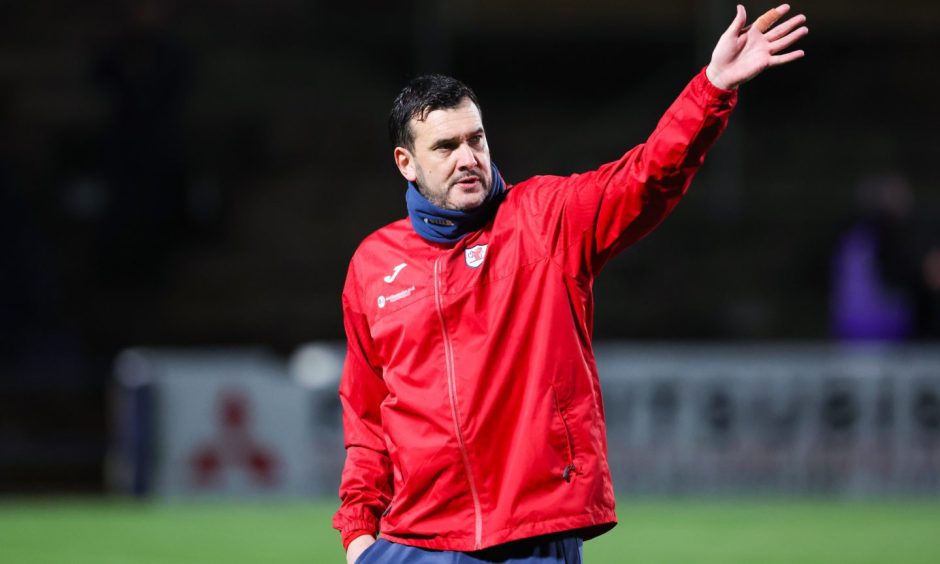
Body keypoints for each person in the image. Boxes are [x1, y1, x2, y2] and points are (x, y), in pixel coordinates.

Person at [334, 5, 808, 563]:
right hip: (412, 543)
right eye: (445, 147)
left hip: (530, 535)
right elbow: (366, 416)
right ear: (405, 163)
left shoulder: (544, 218)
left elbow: (647, 177)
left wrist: (712, 88)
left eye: (476, 140)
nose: (468, 158)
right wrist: (360, 536)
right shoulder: (374, 263)